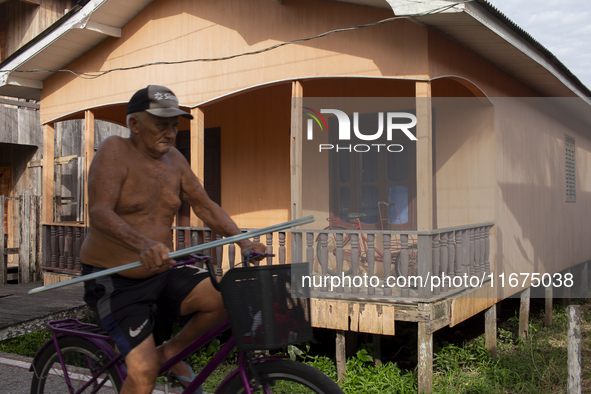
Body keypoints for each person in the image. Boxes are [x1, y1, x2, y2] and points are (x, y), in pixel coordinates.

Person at [80, 85, 265, 394]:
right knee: (143, 372)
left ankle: (169, 352)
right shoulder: (114, 150)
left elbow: (204, 205)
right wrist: (142, 245)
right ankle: (154, 362)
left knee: (226, 299)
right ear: (135, 124)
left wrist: (243, 241)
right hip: (115, 280)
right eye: (161, 124)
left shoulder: (175, 161)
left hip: (161, 271)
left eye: (174, 124)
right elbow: (99, 211)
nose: (170, 132)